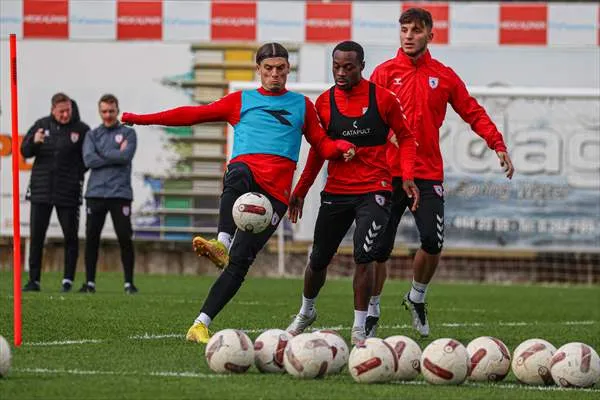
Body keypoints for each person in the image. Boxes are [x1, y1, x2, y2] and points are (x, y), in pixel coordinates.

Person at [121, 43, 356, 343]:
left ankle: (200, 324)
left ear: (288, 70)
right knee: (238, 171)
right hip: (246, 177)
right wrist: (141, 119)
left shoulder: (302, 105)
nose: (274, 74)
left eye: (280, 69)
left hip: (276, 195)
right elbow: (192, 114)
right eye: (268, 69)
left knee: (241, 262)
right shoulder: (241, 100)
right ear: (258, 70)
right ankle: (221, 242)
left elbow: (321, 145)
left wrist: (341, 148)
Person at [367, 8, 515, 338]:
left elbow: (472, 111)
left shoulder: (444, 76)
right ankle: (372, 309)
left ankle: (416, 298)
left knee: (433, 242)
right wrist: (382, 133)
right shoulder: (383, 73)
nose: (408, 35)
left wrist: (497, 143)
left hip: (426, 174)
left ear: (430, 35)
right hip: (388, 173)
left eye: (416, 30)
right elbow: (367, 115)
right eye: (404, 29)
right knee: (378, 250)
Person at [285, 41, 418, 344]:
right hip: (336, 191)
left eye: (348, 67)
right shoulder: (323, 103)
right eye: (336, 67)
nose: (341, 73)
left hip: (376, 189)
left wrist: (407, 176)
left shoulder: (384, 99)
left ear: (361, 66)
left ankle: (360, 325)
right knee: (318, 259)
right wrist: (301, 189)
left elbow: (407, 138)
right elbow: (319, 151)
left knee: (364, 255)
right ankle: (306, 311)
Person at [21, 93, 90, 292]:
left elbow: (88, 159)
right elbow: (24, 151)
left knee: (70, 237)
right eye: (61, 111)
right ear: (53, 110)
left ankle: (67, 280)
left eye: (68, 109)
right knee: (37, 237)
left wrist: (75, 174)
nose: (65, 114)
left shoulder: (81, 129)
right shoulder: (41, 125)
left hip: (68, 192)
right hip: (41, 191)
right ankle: (34, 280)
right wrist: (35, 141)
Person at [81, 94, 138, 294]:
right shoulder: (92, 135)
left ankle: (129, 283)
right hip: (95, 193)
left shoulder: (128, 133)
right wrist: (115, 153)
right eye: (104, 111)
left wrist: (102, 154)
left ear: (117, 110)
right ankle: (89, 283)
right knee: (91, 239)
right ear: (100, 111)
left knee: (124, 238)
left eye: (111, 111)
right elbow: (89, 160)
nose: (108, 115)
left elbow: (126, 156)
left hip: (120, 194)